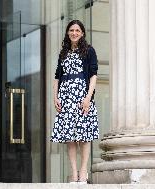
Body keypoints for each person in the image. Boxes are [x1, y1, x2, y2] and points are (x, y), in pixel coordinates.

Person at [50, 20, 99, 183]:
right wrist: (55, 96)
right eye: (71, 30)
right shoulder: (63, 53)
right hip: (65, 97)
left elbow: (93, 75)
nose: (74, 32)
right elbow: (57, 77)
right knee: (69, 137)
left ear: (82, 33)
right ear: (67, 33)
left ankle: (83, 170)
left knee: (84, 136)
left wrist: (88, 99)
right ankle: (74, 172)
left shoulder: (89, 51)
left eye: (77, 30)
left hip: (82, 97)